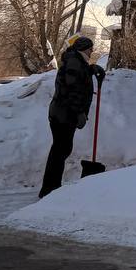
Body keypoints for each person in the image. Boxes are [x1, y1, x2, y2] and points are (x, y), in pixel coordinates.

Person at [38, 34, 104, 198]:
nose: (91, 52)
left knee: (61, 149)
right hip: (64, 114)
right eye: (90, 49)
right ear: (83, 49)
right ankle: (49, 188)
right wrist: (79, 112)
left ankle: (50, 186)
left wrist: (91, 69)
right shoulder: (75, 61)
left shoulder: (76, 61)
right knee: (61, 150)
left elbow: (77, 75)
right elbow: (72, 88)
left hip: (62, 112)